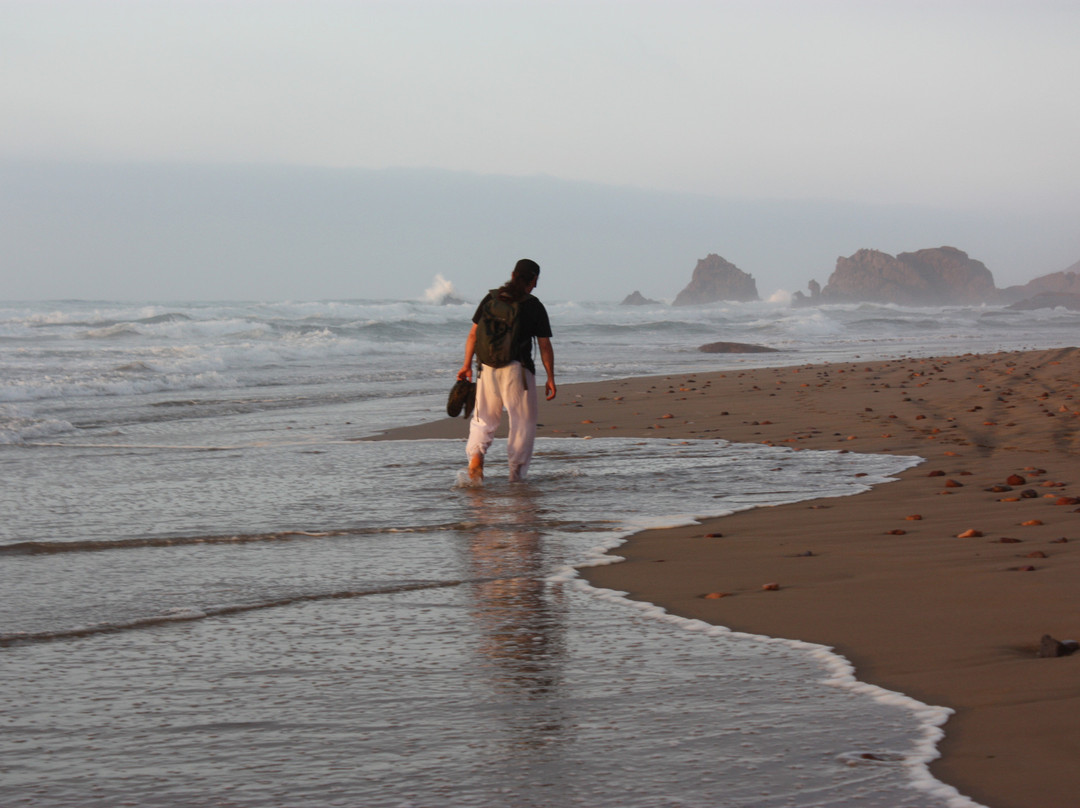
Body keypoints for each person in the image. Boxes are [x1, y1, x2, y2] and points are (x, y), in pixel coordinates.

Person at [457, 258, 556, 482]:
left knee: (483, 420)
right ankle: (515, 476)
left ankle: (475, 458)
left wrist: (466, 366)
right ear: (533, 280)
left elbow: (473, 334)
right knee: (522, 423)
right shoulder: (533, 305)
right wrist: (550, 377)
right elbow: (544, 345)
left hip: (486, 369)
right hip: (517, 371)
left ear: (512, 275)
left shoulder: (491, 299)